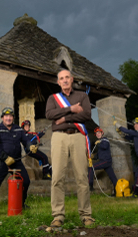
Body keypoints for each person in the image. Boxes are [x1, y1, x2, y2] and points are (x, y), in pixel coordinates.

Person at [45, 69, 95, 227]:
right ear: (58, 82)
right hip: (59, 137)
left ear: (72, 79)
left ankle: (86, 215)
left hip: (78, 136)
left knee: (81, 177)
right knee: (57, 177)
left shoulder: (82, 96)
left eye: (67, 77)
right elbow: (49, 115)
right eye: (61, 78)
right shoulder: (53, 98)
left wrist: (65, 117)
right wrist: (71, 109)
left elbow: (87, 115)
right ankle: (58, 216)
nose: (65, 80)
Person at [0, 107, 37, 217]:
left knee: (25, 181)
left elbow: (25, 141)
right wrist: (5, 157)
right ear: (2, 118)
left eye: (10, 116)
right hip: (2, 162)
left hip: (16, 162)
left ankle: (20, 203)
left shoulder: (18, 129)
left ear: (13, 118)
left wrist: (31, 146)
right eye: (6, 116)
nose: (8, 118)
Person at [88, 127, 118, 195]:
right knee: (112, 177)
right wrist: (92, 157)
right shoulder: (101, 141)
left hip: (105, 161)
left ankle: (90, 186)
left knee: (91, 168)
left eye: (99, 133)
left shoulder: (105, 140)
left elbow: (104, 146)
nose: (97, 134)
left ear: (102, 133)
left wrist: (99, 143)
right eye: (96, 133)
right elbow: (99, 154)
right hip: (107, 162)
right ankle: (117, 191)